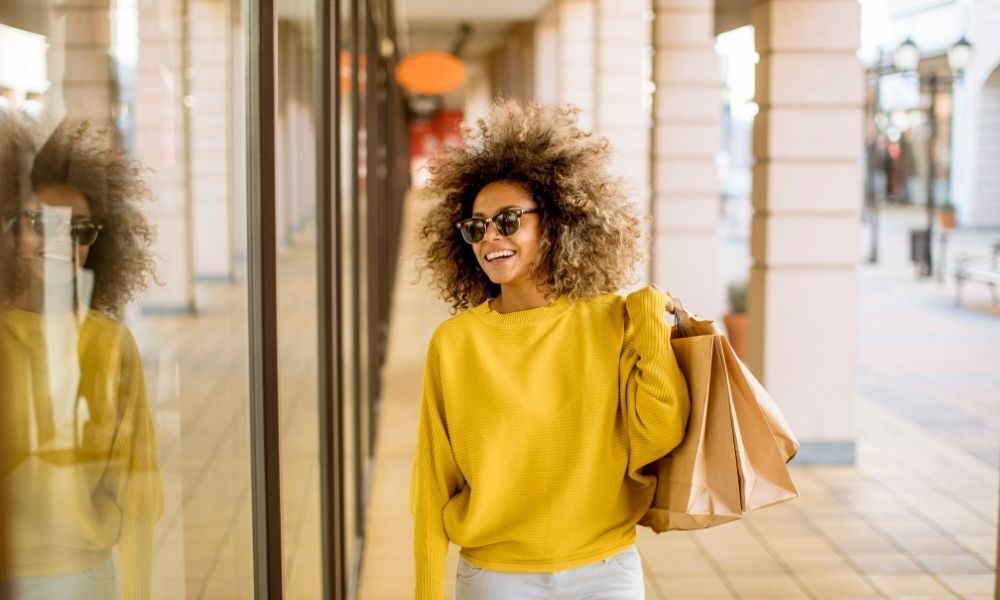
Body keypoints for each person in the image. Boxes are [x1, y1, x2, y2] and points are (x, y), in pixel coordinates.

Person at [410, 100, 691, 600]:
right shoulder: (455, 344)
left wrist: (649, 323)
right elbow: (432, 486)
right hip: (495, 577)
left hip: (606, 570)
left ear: (556, 222)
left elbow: (658, 437)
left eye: (508, 219)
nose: (490, 237)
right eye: (476, 227)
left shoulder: (612, 322)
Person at [0, 114, 163, 600]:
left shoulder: (111, 346)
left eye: (82, 229)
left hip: (83, 582)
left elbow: (138, 498)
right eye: (40, 222)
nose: (63, 243)